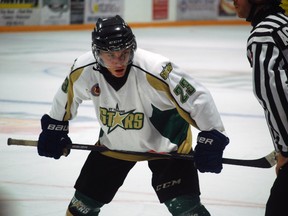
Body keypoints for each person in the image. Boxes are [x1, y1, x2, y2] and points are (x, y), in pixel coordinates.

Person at [37, 15, 229, 216]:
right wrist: (54, 129)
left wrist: (212, 136)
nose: (119, 61)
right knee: (80, 210)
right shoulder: (84, 69)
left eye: (124, 53)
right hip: (114, 145)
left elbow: (197, 97)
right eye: (110, 55)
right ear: (97, 53)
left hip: (168, 147)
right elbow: (65, 97)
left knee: (187, 210)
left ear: (132, 48)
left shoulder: (156, 68)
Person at [233, 0, 288, 215]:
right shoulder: (283, 23)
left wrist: (284, 151)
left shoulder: (263, 36)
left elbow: (275, 95)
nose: (234, 1)